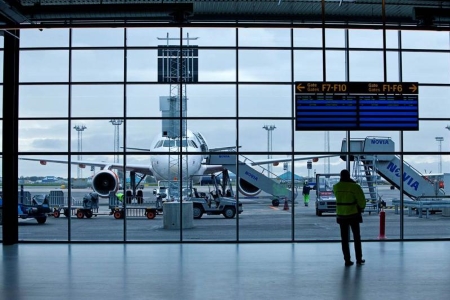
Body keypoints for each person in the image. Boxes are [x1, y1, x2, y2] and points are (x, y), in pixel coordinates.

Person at [333, 169, 366, 266]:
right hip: (353, 214)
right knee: (356, 237)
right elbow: (362, 201)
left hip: (341, 215)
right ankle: (359, 259)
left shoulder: (336, 187)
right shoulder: (355, 187)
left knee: (344, 238)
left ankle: (347, 260)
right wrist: (361, 207)